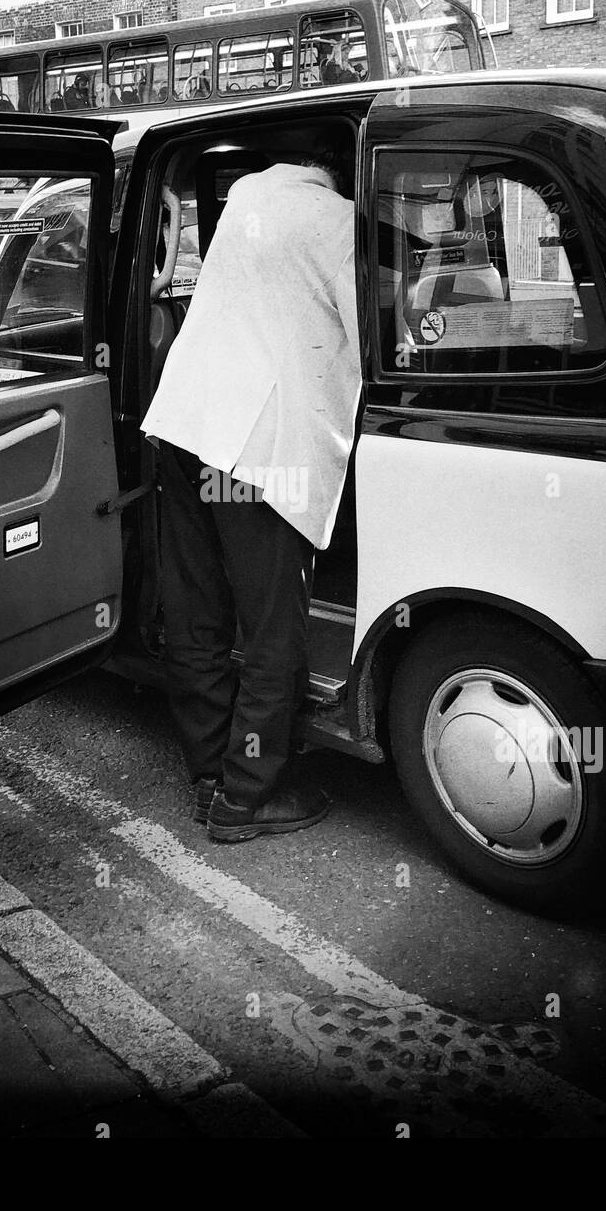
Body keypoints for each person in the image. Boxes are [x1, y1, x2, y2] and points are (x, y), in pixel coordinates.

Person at [140, 125, 359, 842]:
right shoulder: (336, 221)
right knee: (272, 630)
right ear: (342, 169)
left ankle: (209, 778)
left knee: (198, 617)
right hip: (259, 450)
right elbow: (375, 341)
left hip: (185, 426)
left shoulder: (244, 198)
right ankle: (246, 799)